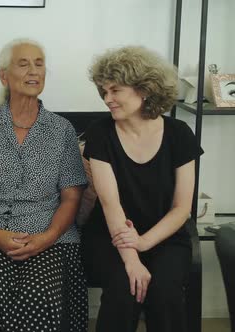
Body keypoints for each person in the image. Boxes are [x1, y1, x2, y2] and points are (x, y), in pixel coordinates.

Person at [0, 38, 88, 332]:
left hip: (49, 233)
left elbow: (71, 198)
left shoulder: (62, 131)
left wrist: (45, 238)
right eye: (23, 64)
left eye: (39, 63)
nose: (33, 71)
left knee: (40, 291)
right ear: (4, 76)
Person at [81, 46, 203, 332]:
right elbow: (111, 205)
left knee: (164, 292)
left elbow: (181, 209)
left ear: (144, 89)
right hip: (110, 236)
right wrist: (132, 258)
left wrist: (144, 242)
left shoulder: (179, 135)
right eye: (103, 92)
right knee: (125, 288)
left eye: (115, 90)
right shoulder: (101, 133)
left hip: (166, 236)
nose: (107, 99)